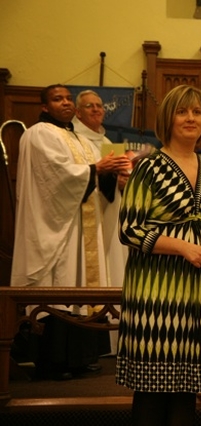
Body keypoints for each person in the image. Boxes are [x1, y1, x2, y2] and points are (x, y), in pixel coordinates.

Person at [115, 84, 201, 426]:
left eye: (197, 112)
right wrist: (183, 247)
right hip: (158, 292)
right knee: (153, 391)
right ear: (168, 118)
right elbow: (129, 230)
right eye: (183, 111)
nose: (191, 118)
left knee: (186, 392)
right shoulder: (149, 167)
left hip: (199, 292)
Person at [10, 84, 130, 380]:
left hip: (79, 227)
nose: (65, 103)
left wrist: (114, 174)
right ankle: (52, 361)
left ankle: (78, 357)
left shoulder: (78, 137)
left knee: (79, 288)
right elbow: (55, 176)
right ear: (44, 106)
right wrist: (96, 169)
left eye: (67, 98)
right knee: (60, 283)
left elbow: (95, 177)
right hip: (56, 227)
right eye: (57, 99)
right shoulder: (39, 134)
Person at [73, 89, 130, 354]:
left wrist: (121, 181)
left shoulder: (106, 140)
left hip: (110, 211)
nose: (96, 110)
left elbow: (110, 179)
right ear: (78, 111)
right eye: (89, 106)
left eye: (99, 106)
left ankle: (114, 335)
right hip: (89, 217)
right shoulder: (74, 140)